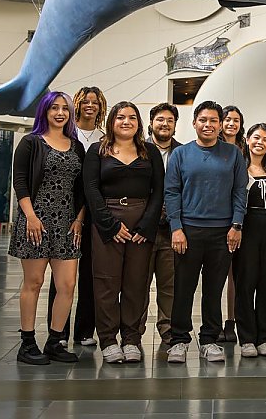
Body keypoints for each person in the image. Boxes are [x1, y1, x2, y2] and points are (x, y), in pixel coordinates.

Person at [165, 101, 247, 364]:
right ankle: (179, 340)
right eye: (203, 120)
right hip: (188, 232)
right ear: (194, 123)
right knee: (183, 288)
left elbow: (239, 191)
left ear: (220, 124)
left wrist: (236, 225)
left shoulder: (232, 154)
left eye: (213, 120)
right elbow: (172, 192)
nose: (208, 125)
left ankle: (209, 339)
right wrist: (176, 228)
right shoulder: (180, 155)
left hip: (222, 233)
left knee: (214, 289)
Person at [83, 102, 164, 363]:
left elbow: (159, 191)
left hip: (141, 224)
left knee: (136, 284)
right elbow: (91, 189)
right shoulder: (98, 150)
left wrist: (146, 225)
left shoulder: (149, 151)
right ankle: (108, 340)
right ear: (112, 121)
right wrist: (110, 225)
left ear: (139, 123)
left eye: (132, 117)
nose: (126, 121)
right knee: (106, 283)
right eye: (120, 117)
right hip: (107, 221)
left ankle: (131, 339)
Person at [9, 91, 85, 365]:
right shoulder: (30, 143)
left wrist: (79, 219)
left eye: (65, 108)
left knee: (67, 284)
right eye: (54, 108)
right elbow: (20, 183)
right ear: (45, 111)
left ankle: (55, 341)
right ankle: (27, 343)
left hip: (67, 222)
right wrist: (30, 216)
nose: (60, 113)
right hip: (36, 221)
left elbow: (82, 189)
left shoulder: (76, 146)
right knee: (35, 282)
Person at [47, 86, 106, 348]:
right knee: (61, 276)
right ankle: (57, 332)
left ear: (101, 106)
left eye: (95, 102)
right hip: (65, 212)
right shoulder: (66, 134)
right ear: (77, 106)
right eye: (85, 101)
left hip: (92, 213)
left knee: (90, 274)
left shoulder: (105, 138)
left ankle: (84, 331)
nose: (90, 105)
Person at [234, 123, 266, 358]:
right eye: (256, 137)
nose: (260, 142)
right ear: (247, 140)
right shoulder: (238, 168)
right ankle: (246, 338)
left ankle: (265, 336)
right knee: (245, 282)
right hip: (247, 228)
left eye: (265, 139)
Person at [144, 102, 182, 345]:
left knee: (170, 285)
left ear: (175, 125)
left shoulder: (183, 152)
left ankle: (167, 329)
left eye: (169, 120)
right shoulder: (140, 150)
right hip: (144, 229)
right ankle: (133, 330)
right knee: (139, 284)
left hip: (171, 230)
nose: (164, 124)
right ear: (151, 123)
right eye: (160, 119)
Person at [217, 105, 246, 343]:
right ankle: (214, 321)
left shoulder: (246, 148)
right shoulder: (212, 147)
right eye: (227, 119)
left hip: (243, 217)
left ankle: (231, 321)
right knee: (217, 274)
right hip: (218, 217)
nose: (231, 124)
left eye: (236, 120)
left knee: (236, 275)